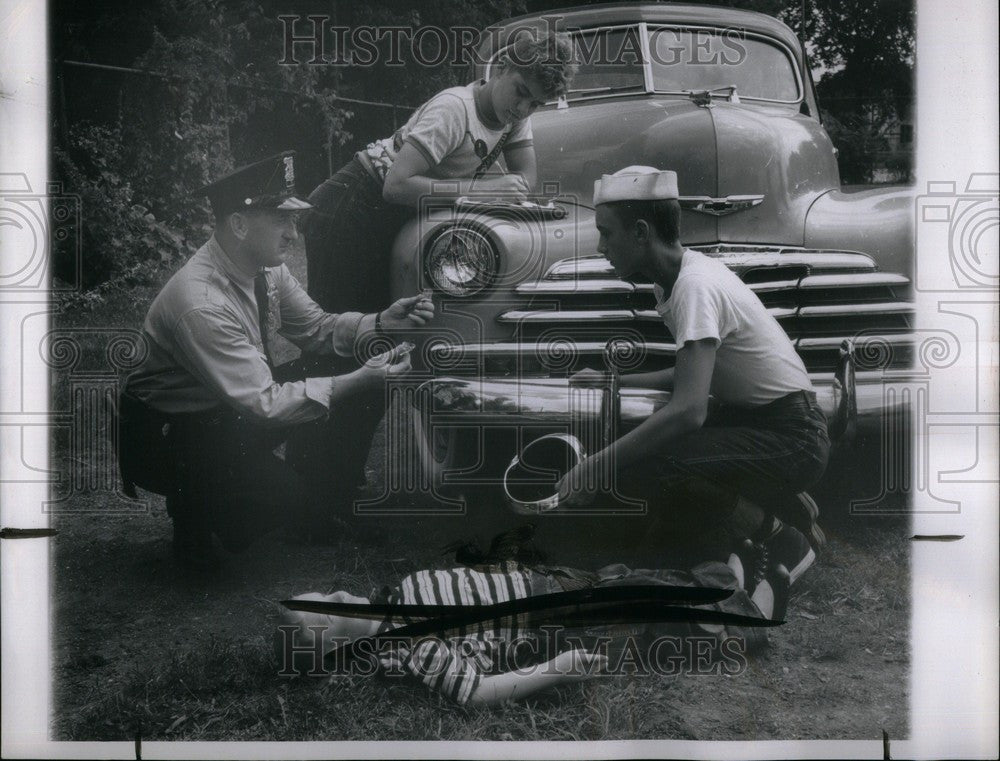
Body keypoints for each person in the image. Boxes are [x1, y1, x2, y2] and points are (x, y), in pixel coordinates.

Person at [119, 151, 435, 570]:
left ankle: (303, 500)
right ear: (239, 225)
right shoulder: (201, 303)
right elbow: (265, 404)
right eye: (282, 221)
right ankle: (195, 507)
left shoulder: (263, 266)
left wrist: (381, 321)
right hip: (167, 435)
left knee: (350, 358)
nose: (294, 234)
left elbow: (318, 329)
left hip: (218, 409)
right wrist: (361, 381)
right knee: (277, 501)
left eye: (294, 220)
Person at [295, 30, 578, 491]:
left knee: (384, 348)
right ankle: (316, 493)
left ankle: (333, 486)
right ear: (501, 68)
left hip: (388, 219)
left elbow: (525, 179)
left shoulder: (513, 116)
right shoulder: (453, 109)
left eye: (537, 105)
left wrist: (505, 188)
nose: (523, 109)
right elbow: (396, 185)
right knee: (344, 346)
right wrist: (484, 190)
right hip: (351, 207)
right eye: (522, 93)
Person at [555, 166, 831, 601]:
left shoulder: (694, 286)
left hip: (792, 436)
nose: (600, 247)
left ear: (641, 232)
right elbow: (692, 373)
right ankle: (769, 510)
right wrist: (614, 380)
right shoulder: (680, 279)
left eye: (606, 234)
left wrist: (596, 466)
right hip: (767, 425)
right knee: (647, 457)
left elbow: (688, 409)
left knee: (657, 462)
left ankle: (781, 536)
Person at [274, 553, 777, 707]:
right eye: (332, 609)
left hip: (539, 587)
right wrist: (556, 668)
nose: (340, 593)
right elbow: (474, 692)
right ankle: (745, 620)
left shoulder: (398, 596)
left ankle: (719, 582)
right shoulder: (410, 646)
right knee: (643, 612)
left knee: (627, 578)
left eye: (327, 592)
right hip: (549, 625)